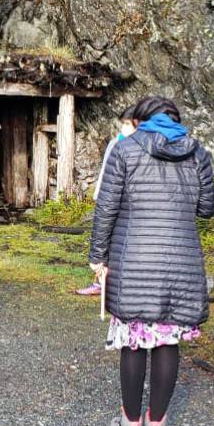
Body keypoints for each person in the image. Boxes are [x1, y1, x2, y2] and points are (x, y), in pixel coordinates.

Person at [89, 96, 214, 426]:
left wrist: (98, 256)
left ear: (142, 121)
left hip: (133, 261)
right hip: (180, 260)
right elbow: (207, 208)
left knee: (133, 339)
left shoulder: (125, 150)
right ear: (176, 120)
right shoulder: (198, 153)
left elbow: (106, 208)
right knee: (167, 339)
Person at [75, 105, 137, 296]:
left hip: (127, 204)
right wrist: (100, 195)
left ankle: (117, 283)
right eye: (123, 123)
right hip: (109, 197)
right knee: (106, 239)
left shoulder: (138, 150)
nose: (124, 128)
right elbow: (106, 173)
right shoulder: (115, 143)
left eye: (128, 124)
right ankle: (101, 282)